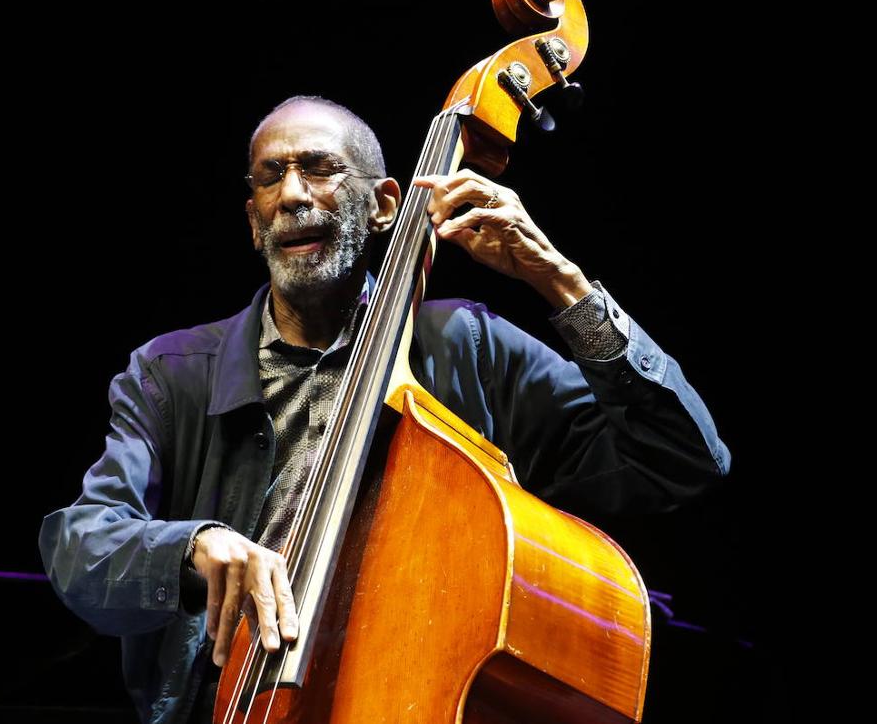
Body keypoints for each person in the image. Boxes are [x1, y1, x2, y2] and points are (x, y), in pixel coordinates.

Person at [38, 95, 730, 724]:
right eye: (271, 177)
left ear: (383, 206)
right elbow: (80, 547)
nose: (293, 195)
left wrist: (560, 281)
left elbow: (677, 458)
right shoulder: (173, 373)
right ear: (252, 220)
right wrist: (192, 546)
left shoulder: (470, 347)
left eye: (320, 169)